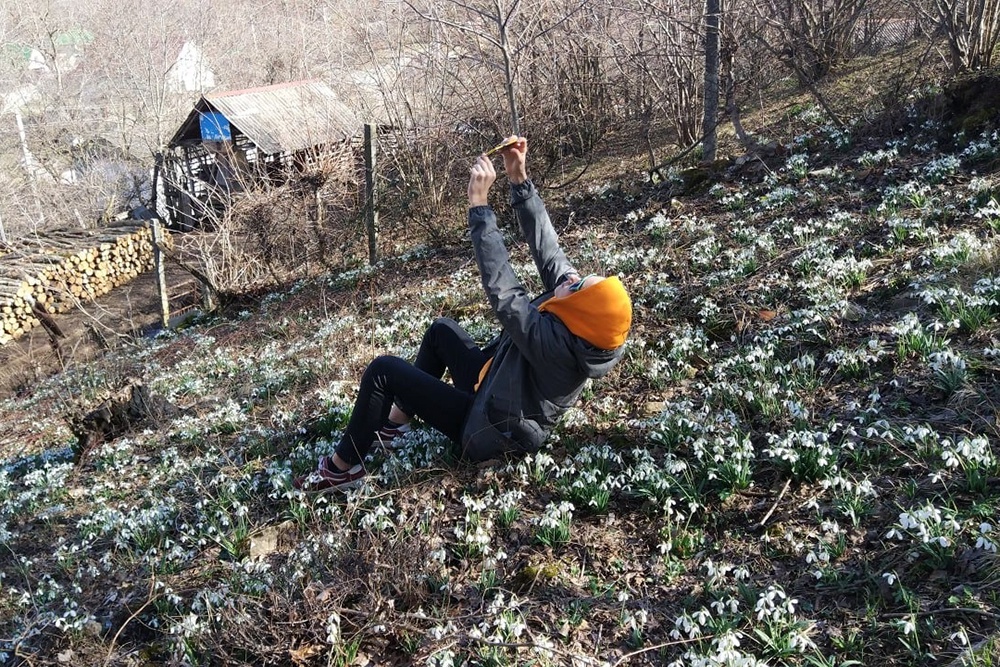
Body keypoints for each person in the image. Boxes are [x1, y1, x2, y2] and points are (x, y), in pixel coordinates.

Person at [293, 136, 632, 492]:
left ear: (580, 313)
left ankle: (342, 469)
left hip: (490, 430)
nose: (572, 278)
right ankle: (392, 429)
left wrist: (479, 205)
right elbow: (549, 251)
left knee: (383, 372)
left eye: (578, 287)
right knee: (441, 332)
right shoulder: (581, 324)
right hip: (494, 387)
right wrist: (519, 179)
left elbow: (505, 293)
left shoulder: (557, 349)